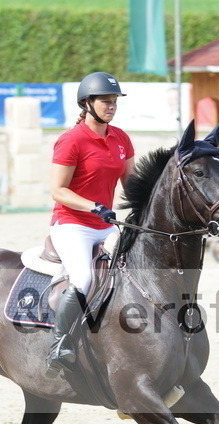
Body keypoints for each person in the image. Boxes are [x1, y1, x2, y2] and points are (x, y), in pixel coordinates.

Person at [45, 72, 135, 378]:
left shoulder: (121, 138)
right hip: (73, 224)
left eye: (114, 101)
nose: (111, 106)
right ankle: (59, 344)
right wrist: (94, 206)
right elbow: (58, 190)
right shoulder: (71, 140)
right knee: (83, 278)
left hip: (106, 225)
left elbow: (132, 185)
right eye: (105, 101)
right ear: (87, 104)